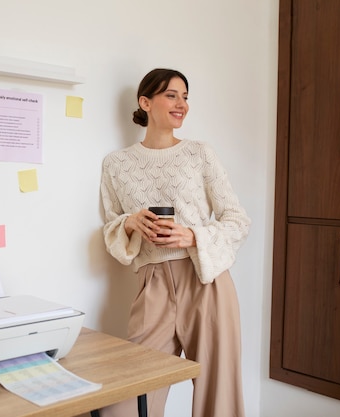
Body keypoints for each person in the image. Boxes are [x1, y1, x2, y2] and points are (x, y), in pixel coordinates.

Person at [99, 68, 250, 417]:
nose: (181, 104)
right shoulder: (116, 164)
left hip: (206, 281)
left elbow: (237, 220)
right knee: (130, 395)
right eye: (171, 95)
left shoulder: (200, 153)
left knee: (219, 398)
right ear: (145, 102)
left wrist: (193, 235)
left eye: (185, 96)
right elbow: (111, 227)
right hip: (152, 283)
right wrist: (130, 222)